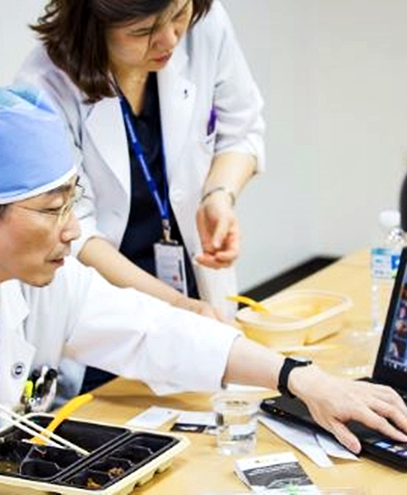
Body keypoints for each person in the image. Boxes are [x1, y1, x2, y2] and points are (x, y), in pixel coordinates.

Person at [0, 86, 407, 495]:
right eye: (52, 209)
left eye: (74, 202)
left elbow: (157, 332)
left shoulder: (37, 286)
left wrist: (301, 379)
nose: (73, 230)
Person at [15, 0, 265, 391]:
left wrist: (219, 195)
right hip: (105, 316)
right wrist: (175, 308)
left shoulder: (204, 24)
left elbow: (242, 129)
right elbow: (76, 231)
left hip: (196, 294)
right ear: (93, 26)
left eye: (178, 14)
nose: (170, 39)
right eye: (143, 31)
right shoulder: (45, 87)